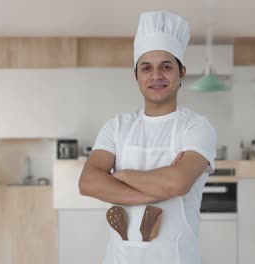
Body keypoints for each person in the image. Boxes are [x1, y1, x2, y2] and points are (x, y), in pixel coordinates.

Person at [79, 10, 216, 264]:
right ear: (136, 75)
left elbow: (177, 184)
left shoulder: (197, 127)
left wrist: (120, 177)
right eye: (146, 68)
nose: (156, 76)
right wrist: (158, 187)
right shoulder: (117, 126)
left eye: (166, 66)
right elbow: (88, 182)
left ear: (182, 72)